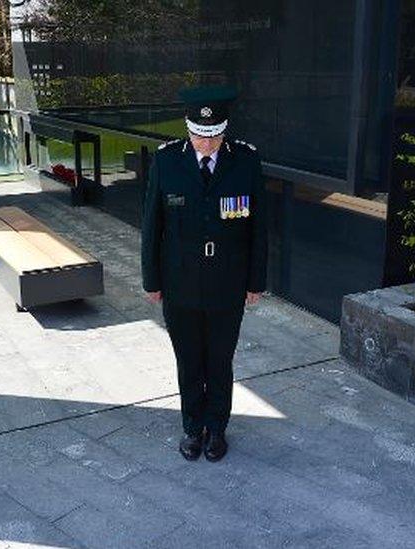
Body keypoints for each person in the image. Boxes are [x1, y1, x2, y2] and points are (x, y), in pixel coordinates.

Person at [141, 85, 268, 462]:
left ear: (224, 130)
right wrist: (152, 280)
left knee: (220, 359)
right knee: (189, 359)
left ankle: (216, 428)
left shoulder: (245, 161)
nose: (207, 144)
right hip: (180, 283)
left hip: (228, 282)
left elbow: (259, 227)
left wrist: (256, 281)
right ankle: (192, 427)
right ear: (187, 128)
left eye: (214, 136)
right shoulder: (166, 162)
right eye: (199, 135)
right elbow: (152, 226)